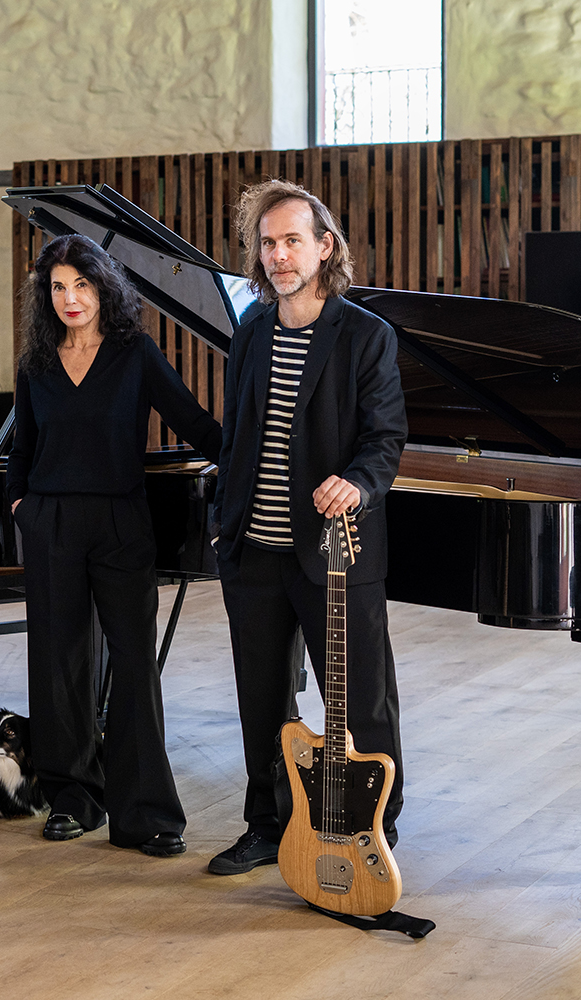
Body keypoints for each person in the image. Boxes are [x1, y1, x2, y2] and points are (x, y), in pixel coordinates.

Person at [208, 179, 408, 876]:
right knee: (260, 702)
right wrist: (222, 529)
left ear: (325, 247)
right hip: (253, 551)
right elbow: (236, 440)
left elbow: (386, 439)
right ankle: (267, 825)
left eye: (293, 240)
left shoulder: (365, 336)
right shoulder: (252, 330)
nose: (279, 255)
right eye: (268, 243)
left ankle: (374, 829)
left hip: (332, 552)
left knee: (360, 701)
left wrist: (356, 481)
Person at [7, 234, 223, 857]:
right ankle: (73, 798)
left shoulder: (135, 353)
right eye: (58, 288)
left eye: (82, 285)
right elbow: (22, 448)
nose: (71, 299)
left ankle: (145, 813)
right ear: (45, 297)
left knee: (133, 664)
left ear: (104, 287)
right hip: (50, 522)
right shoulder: (37, 362)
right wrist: (21, 504)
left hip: (121, 523)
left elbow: (196, 422)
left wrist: (252, 460)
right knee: (58, 663)